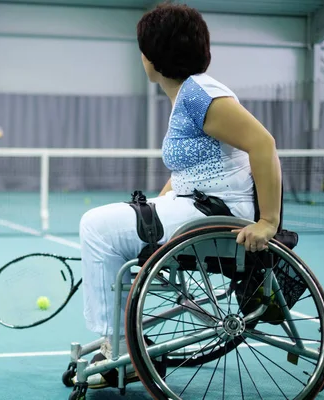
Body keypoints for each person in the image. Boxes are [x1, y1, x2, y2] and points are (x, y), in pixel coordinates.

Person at [77, 2, 282, 388]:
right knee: (110, 224)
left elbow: (263, 144)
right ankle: (120, 339)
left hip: (218, 213)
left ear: (152, 57)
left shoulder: (198, 93)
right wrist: (152, 206)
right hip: (197, 205)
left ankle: (118, 348)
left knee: (96, 227)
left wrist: (268, 222)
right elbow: (187, 172)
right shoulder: (189, 94)